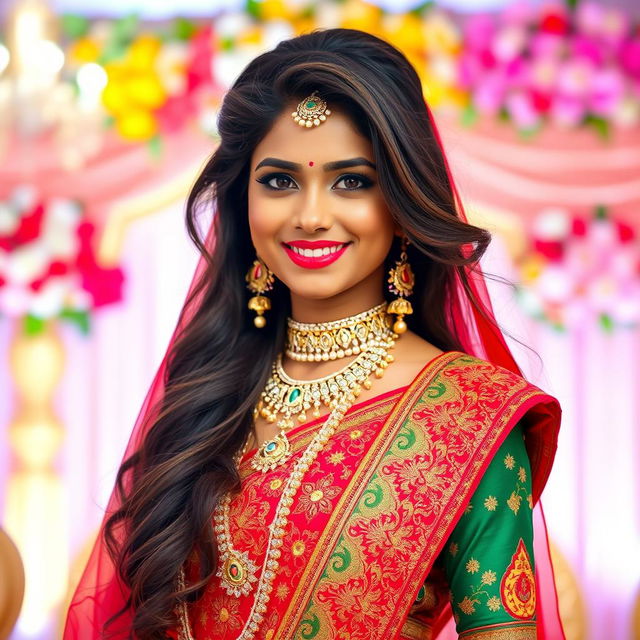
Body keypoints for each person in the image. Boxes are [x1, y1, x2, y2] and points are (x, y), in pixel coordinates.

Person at [64, 28, 564, 640]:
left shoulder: (473, 419)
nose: (310, 215)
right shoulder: (207, 394)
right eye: (279, 181)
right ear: (241, 199)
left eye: (351, 180)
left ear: (403, 199)